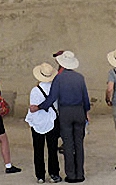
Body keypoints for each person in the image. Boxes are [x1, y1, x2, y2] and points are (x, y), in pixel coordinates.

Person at [33, 51, 90, 184]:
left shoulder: (59, 78)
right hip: (79, 111)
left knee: (68, 144)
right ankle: (80, 174)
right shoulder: (80, 77)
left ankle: (71, 174)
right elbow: (86, 99)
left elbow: (52, 98)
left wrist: (39, 107)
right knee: (79, 144)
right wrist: (86, 112)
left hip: (65, 112)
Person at [26, 62, 62, 184]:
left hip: (37, 123)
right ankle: (54, 174)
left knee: (38, 149)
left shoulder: (35, 90)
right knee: (52, 149)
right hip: (51, 120)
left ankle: (40, 175)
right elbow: (57, 105)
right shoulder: (55, 88)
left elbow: (32, 108)